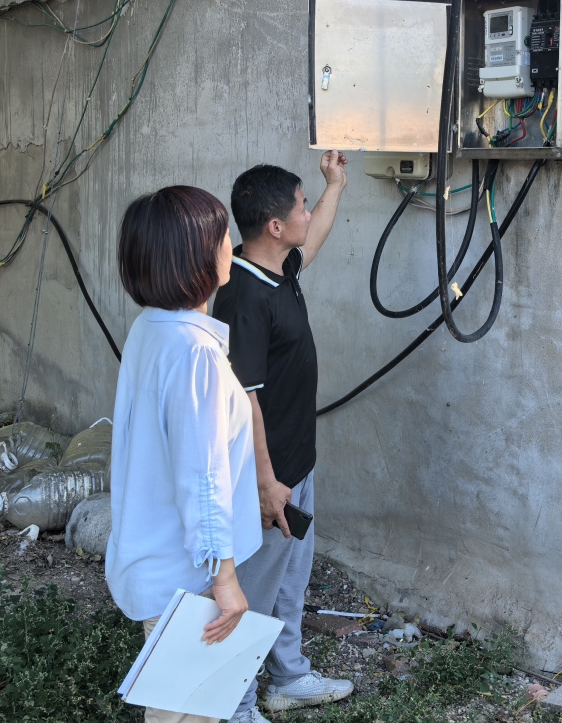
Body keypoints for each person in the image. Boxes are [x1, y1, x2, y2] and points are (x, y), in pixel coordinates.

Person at [105, 185, 262, 723]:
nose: (230, 246)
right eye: (222, 237)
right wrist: (225, 581)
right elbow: (203, 478)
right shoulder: (194, 353)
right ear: (192, 255)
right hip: (187, 580)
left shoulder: (152, 328)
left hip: (159, 564)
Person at [213, 152, 349, 722]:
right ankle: (235, 703)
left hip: (298, 461)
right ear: (274, 226)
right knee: (254, 589)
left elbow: (312, 242)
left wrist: (335, 185)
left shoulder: (278, 268)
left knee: (291, 579)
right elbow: (244, 401)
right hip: (267, 476)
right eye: (300, 206)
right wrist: (268, 484)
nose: (306, 214)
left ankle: (287, 676)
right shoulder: (243, 296)